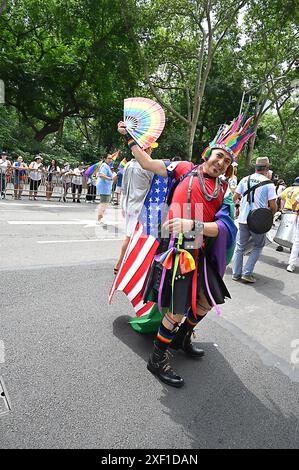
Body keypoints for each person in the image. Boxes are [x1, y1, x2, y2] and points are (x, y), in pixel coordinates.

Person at [116, 114, 253, 388]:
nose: (221, 163)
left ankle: (181, 338)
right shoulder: (184, 168)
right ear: (208, 154)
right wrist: (130, 137)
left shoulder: (224, 188)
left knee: (205, 301)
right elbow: (146, 162)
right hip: (178, 247)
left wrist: (195, 223)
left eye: (227, 161)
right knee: (177, 309)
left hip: (202, 248)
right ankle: (157, 359)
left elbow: (225, 226)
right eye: (218, 156)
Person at [113, 144, 157, 275]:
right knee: (132, 236)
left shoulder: (128, 165)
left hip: (128, 205)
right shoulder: (148, 167)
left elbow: (124, 186)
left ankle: (127, 263)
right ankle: (120, 264)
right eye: (150, 149)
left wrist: (122, 205)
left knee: (132, 235)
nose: (151, 151)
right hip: (140, 207)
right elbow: (151, 187)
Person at [232, 157, 277, 283]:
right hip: (258, 221)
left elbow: (234, 198)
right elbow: (273, 206)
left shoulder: (245, 179)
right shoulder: (269, 184)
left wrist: (235, 210)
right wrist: (270, 217)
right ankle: (247, 273)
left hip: (242, 219)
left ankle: (236, 274)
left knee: (240, 246)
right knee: (258, 245)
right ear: (267, 169)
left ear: (256, 167)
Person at [279, 177, 299, 273]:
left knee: (285, 230)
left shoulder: (288, 189)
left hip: (287, 210)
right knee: (294, 234)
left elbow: (281, 196)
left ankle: (281, 245)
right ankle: (290, 248)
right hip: (294, 212)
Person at [96, 154, 117, 224]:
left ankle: (101, 218)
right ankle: (99, 219)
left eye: (111, 158)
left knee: (105, 203)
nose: (110, 160)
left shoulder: (106, 166)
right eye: (109, 158)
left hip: (106, 188)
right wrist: (110, 178)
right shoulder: (104, 165)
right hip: (104, 187)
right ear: (105, 159)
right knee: (103, 203)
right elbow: (101, 175)